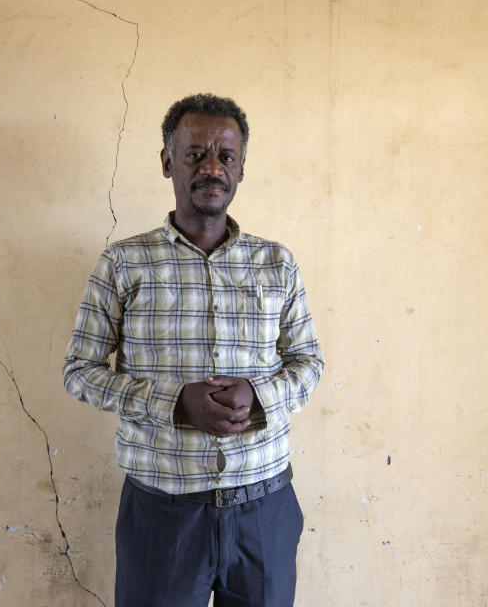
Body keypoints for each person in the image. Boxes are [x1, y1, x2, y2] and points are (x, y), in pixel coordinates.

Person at [62, 93, 323, 606]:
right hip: (163, 516)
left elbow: (308, 362)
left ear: (242, 168)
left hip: (263, 511)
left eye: (226, 155)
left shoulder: (277, 264)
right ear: (167, 162)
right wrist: (176, 403)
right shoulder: (124, 264)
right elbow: (80, 371)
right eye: (195, 153)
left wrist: (260, 396)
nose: (211, 167)